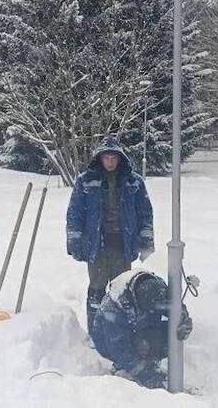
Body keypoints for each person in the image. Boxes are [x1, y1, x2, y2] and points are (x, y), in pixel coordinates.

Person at [66, 136, 155, 328]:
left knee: (122, 290)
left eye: (114, 158)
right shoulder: (86, 181)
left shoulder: (134, 182)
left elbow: (145, 214)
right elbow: (75, 213)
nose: (110, 162)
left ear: (120, 158)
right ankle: (95, 331)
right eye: (106, 158)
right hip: (96, 246)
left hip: (123, 246)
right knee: (96, 290)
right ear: (100, 158)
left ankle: (119, 332)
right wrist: (74, 242)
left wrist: (146, 243)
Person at [91, 270, 192, 389]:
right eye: (147, 309)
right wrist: (147, 376)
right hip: (108, 341)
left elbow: (174, 306)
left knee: (171, 331)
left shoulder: (159, 290)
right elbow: (118, 347)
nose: (150, 311)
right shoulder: (113, 307)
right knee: (125, 353)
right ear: (136, 300)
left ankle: (148, 362)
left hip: (140, 327)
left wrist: (182, 320)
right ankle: (123, 368)